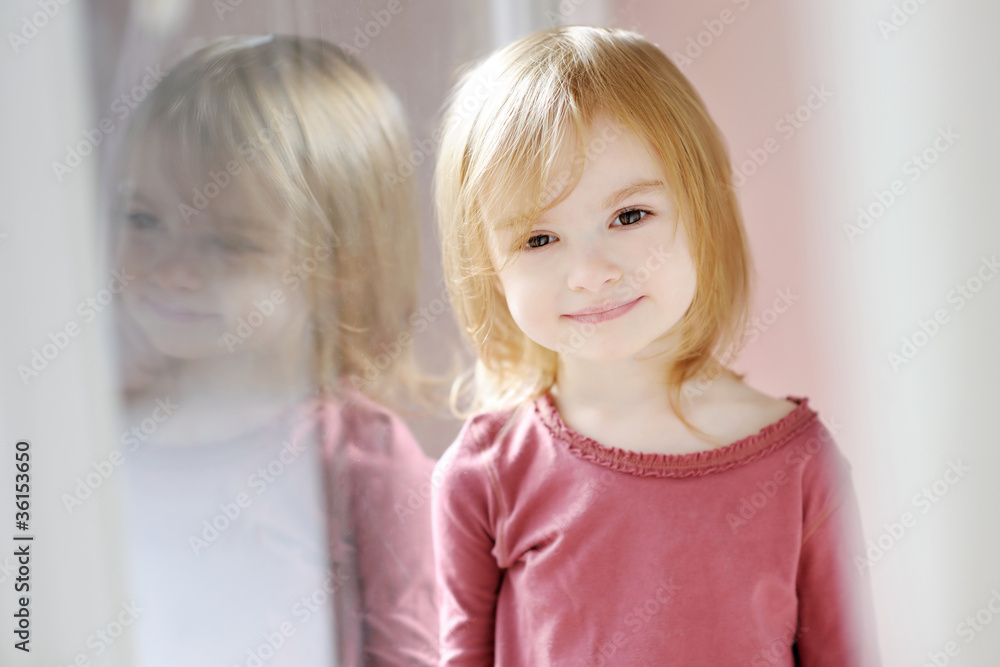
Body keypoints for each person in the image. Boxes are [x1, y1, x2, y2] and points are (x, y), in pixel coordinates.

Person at [431, 26, 880, 666]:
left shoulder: (803, 464)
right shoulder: (487, 475)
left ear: (702, 210)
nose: (590, 272)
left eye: (629, 216)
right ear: (486, 267)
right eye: (538, 240)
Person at [111, 34, 438, 666]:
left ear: (338, 267)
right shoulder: (89, 429)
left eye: (230, 244)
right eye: (144, 221)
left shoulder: (362, 459)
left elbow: (412, 655)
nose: (173, 270)